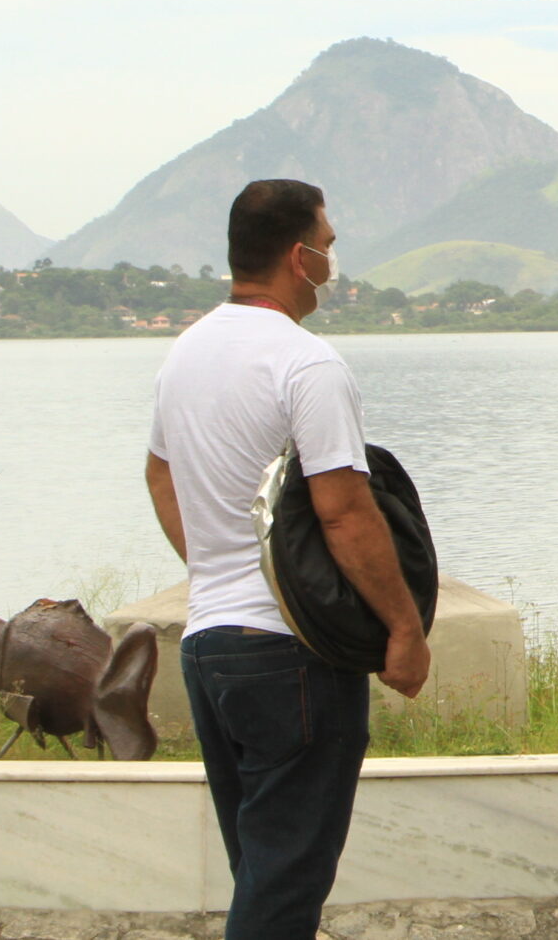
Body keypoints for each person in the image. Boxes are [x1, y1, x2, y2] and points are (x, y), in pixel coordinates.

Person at [144, 179, 430, 940]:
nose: (332, 263)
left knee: (264, 871)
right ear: (298, 257)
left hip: (210, 650)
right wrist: (404, 626)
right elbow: (343, 509)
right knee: (284, 884)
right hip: (293, 656)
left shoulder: (186, 353)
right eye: (328, 247)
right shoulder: (307, 364)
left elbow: (160, 474)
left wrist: (216, 563)